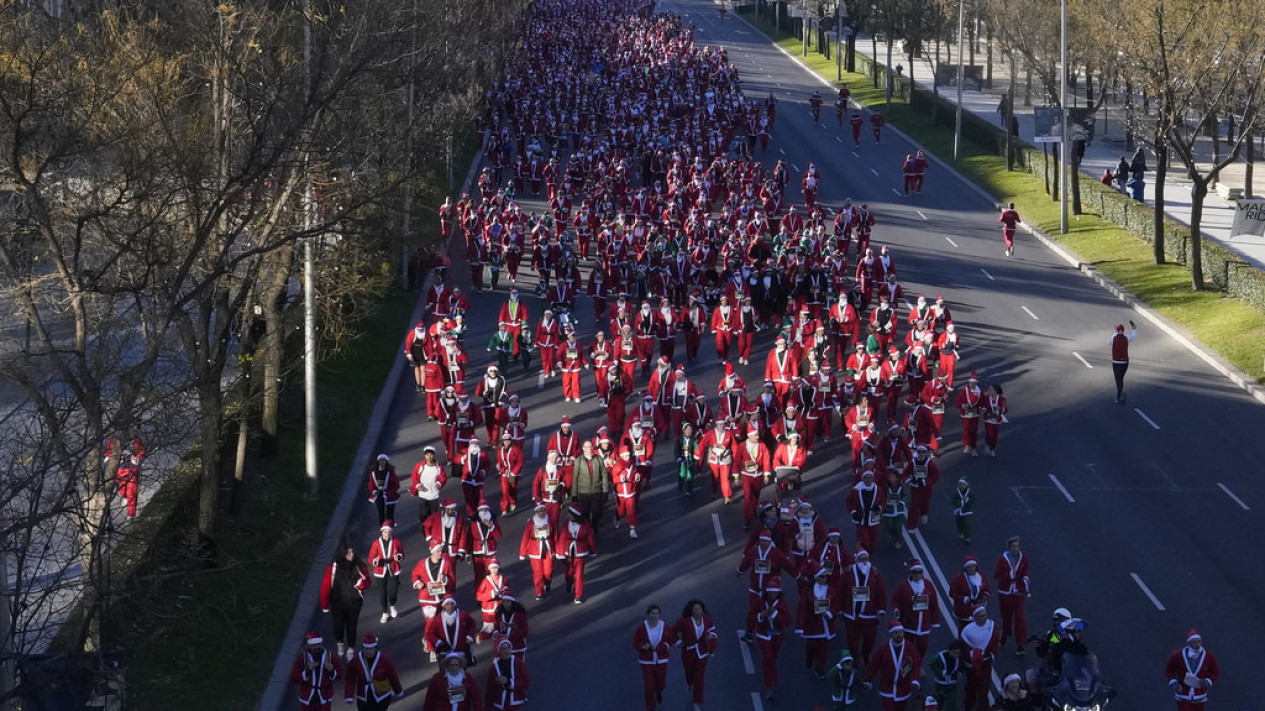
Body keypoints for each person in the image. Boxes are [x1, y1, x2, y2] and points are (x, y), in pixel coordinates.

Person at [320, 545, 370, 659]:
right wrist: (325, 604)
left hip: (354, 603)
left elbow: (368, 580)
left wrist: (361, 585)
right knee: (338, 626)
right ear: (343, 555)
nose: (352, 555)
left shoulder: (358, 565)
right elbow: (326, 587)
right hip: (337, 604)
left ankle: (350, 650)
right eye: (349, 553)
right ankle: (340, 643)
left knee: (352, 627)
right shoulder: (332, 568)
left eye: (352, 552)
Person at [864, 620, 923, 711]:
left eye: (900, 632)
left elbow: (917, 664)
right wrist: (868, 679)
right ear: (891, 634)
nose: (899, 635)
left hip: (904, 687)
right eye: (896, 633)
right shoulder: (883, 648)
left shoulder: (910, 648)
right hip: (887, 686)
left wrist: (915, 680)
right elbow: (874, 664)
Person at [673, 599, 719, 711]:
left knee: (699, 678)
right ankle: (689, 683)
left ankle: (697, 702)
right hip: (688, 652)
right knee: (689, 674)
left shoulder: (707, 620)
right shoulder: (684, 621)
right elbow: (673, 631)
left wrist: (711, 636)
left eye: (700, 608)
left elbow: (713, 631)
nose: (698, 611)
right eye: (695, 609)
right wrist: (678, 642)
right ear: (691, 610)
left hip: (702, 652)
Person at [890, 559, 940, 657]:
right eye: (915, 572)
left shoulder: (928, 585)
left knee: (923, 646)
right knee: (908, 646)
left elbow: (934, 603)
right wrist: (896, 610)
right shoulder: (903, 586)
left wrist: (935, 621)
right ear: (911, 573)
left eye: (920, 572)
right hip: (909, 623)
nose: (917, 575)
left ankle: (918, 663)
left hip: (924, 624)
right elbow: (895, 600)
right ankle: (907, 664)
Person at [343, 632, 404, 710]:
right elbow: (350, 678)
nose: (368, 652)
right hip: (363, 697)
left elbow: (393, 676)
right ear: (363, 648)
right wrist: (349, 695)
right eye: (366, 649)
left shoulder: (385, 659)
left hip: (382, 696)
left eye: (371, 649)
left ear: (375, 648)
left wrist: (398, 690)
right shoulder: (356, 660)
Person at [752, 578, 791, 700]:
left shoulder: (782, 604)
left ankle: (771, 679)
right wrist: (760, 616)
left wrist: (775, 614)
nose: (772, 595)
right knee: (768, 658)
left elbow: (787, 621)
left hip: (776, 635)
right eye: (770, 592)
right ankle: (770, 686)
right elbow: (751, 616)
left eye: (774, 592)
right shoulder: (759, 602)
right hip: (763, 634)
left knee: (772, 659)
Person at [633, 604, 676, 711]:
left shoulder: (664, 626)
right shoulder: (642, 628)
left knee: (661, 683)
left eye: (657, 613)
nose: (655, 616)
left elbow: (672, 639)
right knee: (649, 685)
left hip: (661, 660)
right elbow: (635, 642)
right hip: (646, 661)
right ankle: (651, 707)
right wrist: (643, 647)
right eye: (653, 613)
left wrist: (664, 646)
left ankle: (658, 691)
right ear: (648, 615)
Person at [1166, 630, 1220, 711]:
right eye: (1194, 642)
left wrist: (1208, 680)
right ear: (1189, 643)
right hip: (1183, 696)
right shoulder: (1178, 655)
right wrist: (1174, 683)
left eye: (1199, 642)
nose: (1197, 645)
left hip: (1200, 696)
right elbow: (1169, 670)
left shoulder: (1208, 656)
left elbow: (1215, 671)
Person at [994, 536, 1031, 655]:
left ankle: (1020, 644)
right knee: (1006, 616)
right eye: (1013, 546)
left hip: (1018, 592)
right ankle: (1005, 634)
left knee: (1020, 618)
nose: (1015, 549)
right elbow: (997, 575)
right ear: (1009, 547)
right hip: (1005, 593)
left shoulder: (1023, 558)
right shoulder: (1003, 560)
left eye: (1017, 546)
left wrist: (1025, 579)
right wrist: (1009, 575)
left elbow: (1025, 571)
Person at [959, 607, 999, 711]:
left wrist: (991, 654)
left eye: (985, 614)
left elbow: (994, 642)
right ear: (975, 617)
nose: (985, 617)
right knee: (972, 685)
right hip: (972, 664)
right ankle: (969, 704)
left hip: (985, 662)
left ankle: (983, 707)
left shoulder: (991, 626)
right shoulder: (968, 630)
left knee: (984, 687)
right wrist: (973, 656)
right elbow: (964, 646)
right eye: (982, 616)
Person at [556, 503, 596, 604]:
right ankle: (569, 583)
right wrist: (560, 553)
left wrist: (592, 551)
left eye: (570, 514)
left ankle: (578, 595)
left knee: (579, 575)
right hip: (568, 552)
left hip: (580, 553)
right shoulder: (566, 524)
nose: (568, 516)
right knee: (568, 573)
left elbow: (590, 538)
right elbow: (562, 539)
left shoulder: (585, 525)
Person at [291, 631, 341, 711]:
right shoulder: (303, 658)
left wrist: (332, 670)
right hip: (307, 696)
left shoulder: (330, 658)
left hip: (325, 696)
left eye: (318, 645)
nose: (316, 648)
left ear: (322, 644)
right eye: (313, 645)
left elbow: (339, 676)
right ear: (309, 645)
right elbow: (294, 677)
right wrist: (307, 670)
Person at [368, 522, 405, 624]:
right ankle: (385, 612)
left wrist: (399, 557)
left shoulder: (396, 542)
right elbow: (371, 558)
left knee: (393, 590)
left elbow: (402, 553)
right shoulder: (376, 543)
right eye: (385, 532)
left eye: (389, 532)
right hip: (380, 570)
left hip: (393, 568)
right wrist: (375, 560)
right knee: (382, 593)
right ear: (381, 532)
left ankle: (392, 605)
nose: (387, 534)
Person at [424, 597, 477, 667]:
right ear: (444, 606)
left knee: (462, 668)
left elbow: (472, 624)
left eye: (452, 604)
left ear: (455, 605)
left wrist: (469, 636)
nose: (450, 606)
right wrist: (437, 642)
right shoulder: (438, 619)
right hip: (445, 649)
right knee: (444, 671)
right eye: (447, 604)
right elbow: (430, 633)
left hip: (460, 647)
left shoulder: (463, 615)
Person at [519, 501, 556, 599]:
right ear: (536, 512)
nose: (541, 512)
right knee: (538, 573)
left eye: (543, 510)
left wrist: (558, 549)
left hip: (548, 548)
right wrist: (522, 552)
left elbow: (555, 535)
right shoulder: (531, 522)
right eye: (539, 511)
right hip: (535, 550)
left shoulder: (550, 520)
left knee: (548, 571)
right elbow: (525, 537)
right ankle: (539, 592)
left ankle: (547, 583)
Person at [572, 440, 609, 532]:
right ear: (583, 449)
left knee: (596, 513)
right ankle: (587, 530)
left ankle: (594, 529)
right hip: (583, 493)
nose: (590, 449)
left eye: (591, 447)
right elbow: (575, 478)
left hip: (596, 491)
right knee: (585, 514)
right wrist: (574, 494)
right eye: (587, 447)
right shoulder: (578, 461)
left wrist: (605, 492)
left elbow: (604, 475)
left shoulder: (598, 459)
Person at [485, 638, 530, 711]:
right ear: (499, 651)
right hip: (499, 705)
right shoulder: (493, 668)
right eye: (503, 649)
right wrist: (488, 708)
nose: (506, 651)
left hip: (514, 703)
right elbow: (490, 691)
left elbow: (526, 682)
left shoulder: (518, 663)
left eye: (508, 648)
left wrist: (509, 682)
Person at [948, 555, 990, 624]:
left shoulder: (981, 575)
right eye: (969, 567)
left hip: (978, 607)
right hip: (964, 610)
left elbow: (987, 587)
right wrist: (963, 599)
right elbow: (952, 593)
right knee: (964, 629)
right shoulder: (958, 578)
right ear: (965, 568)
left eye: (973, 566)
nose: (972, 569)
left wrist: (985, 595)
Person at [410, 447, 446, 524]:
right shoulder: (420, 466)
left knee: (434, 514)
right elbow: (414, 477)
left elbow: (443, 478)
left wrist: (439, 484)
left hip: (434, 495)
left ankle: (434, 528)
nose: (429, 457)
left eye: (431, 455)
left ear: (434, 455)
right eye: (427, 455)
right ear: (425, 456)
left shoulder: (439, 468)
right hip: (423, 494)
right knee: (423, 514)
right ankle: (424, 528)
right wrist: (418, 485)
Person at [928, 640, 964, 711]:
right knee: (939, 701)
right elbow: (933, 665)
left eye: (958, 653)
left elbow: (961, 666)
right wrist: (941, 672)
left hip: (952, 683)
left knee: (952, 702)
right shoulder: (939, 657)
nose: (956, 655)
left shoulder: (959, 658)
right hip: (941, 683)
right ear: (949, 650)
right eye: (954, 653)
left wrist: (960, 673)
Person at [366, 454, 401, 527]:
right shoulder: (373, 473)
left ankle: (390, 526)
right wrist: (374, 491)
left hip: (390, 495)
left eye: (384, 461)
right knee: (380, 512)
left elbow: (396, 485)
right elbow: (371, 484)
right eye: (380, 461)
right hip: (378, 495)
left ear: (386, 462)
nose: (382, 463)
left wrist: (390, 492)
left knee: (390, 513)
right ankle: (382, 527)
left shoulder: (391, 474)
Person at [1110, 321, 1137, 405]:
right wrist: (1134, 328)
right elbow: (1133, 336)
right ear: (1124, 331)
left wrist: (1114, 332)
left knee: (1118, 379)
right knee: (1121, 378)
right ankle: (1119, 394)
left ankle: (1120, 395)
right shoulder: (1126, 338)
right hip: (1125, 362)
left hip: (1116, 362)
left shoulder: (1113, 338)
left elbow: (1109, 343)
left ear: (1117, 330)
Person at [982, 384, 1007, 456]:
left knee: (995, 436)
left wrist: (1000, 409)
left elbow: (1005, 410)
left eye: (990, 389)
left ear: (995, 391)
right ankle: (987, 443)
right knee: (990, 434)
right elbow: (983, 407)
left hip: (997, 420)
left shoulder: (1002, 399)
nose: (988, 390)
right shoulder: (986, 398)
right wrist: (983, 410)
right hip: (988, 419)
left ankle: (992, 449)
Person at [951, 478, 974, 543]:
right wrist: (959, 503)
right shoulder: (956, 492)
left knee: (967, 523)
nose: (962, 486)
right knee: (959, 523)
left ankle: (968, 537)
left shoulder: (969, 492)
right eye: (960, 485)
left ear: (966, 485)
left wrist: (968, 502)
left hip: (967, 511)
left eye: (963, 485)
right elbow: (952, 500)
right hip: (959, 511)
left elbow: (973, 499)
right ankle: (960, 533)